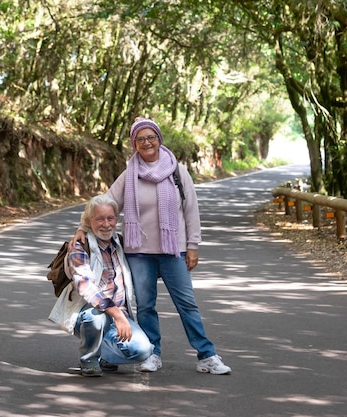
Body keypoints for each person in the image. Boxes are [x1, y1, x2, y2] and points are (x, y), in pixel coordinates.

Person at [74, 117, 231, 375]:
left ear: (159, 139)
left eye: (151, 137)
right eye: (140, 138)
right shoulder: (129, 175)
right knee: (146, 305)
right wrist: (82, 228)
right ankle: (153, 353)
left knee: (187, 303)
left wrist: (192, 246)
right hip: (139, 252)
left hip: (174, 250)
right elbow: (103, 204)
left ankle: (207, 355)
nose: (147, 142)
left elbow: (191, 211)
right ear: (134, 144)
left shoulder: (177, 172)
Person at [49, 194, 153, 377]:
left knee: (143, 351)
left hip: (118, 314)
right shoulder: (80, 247)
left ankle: (106, 355)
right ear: (89, 221)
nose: (106, 224)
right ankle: (89, 359)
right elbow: (87, 288)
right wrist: (118, 315)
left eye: (110, 218)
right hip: (89, 313)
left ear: (116, 219)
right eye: (99, 219)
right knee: (95, 317)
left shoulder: (119, 242)